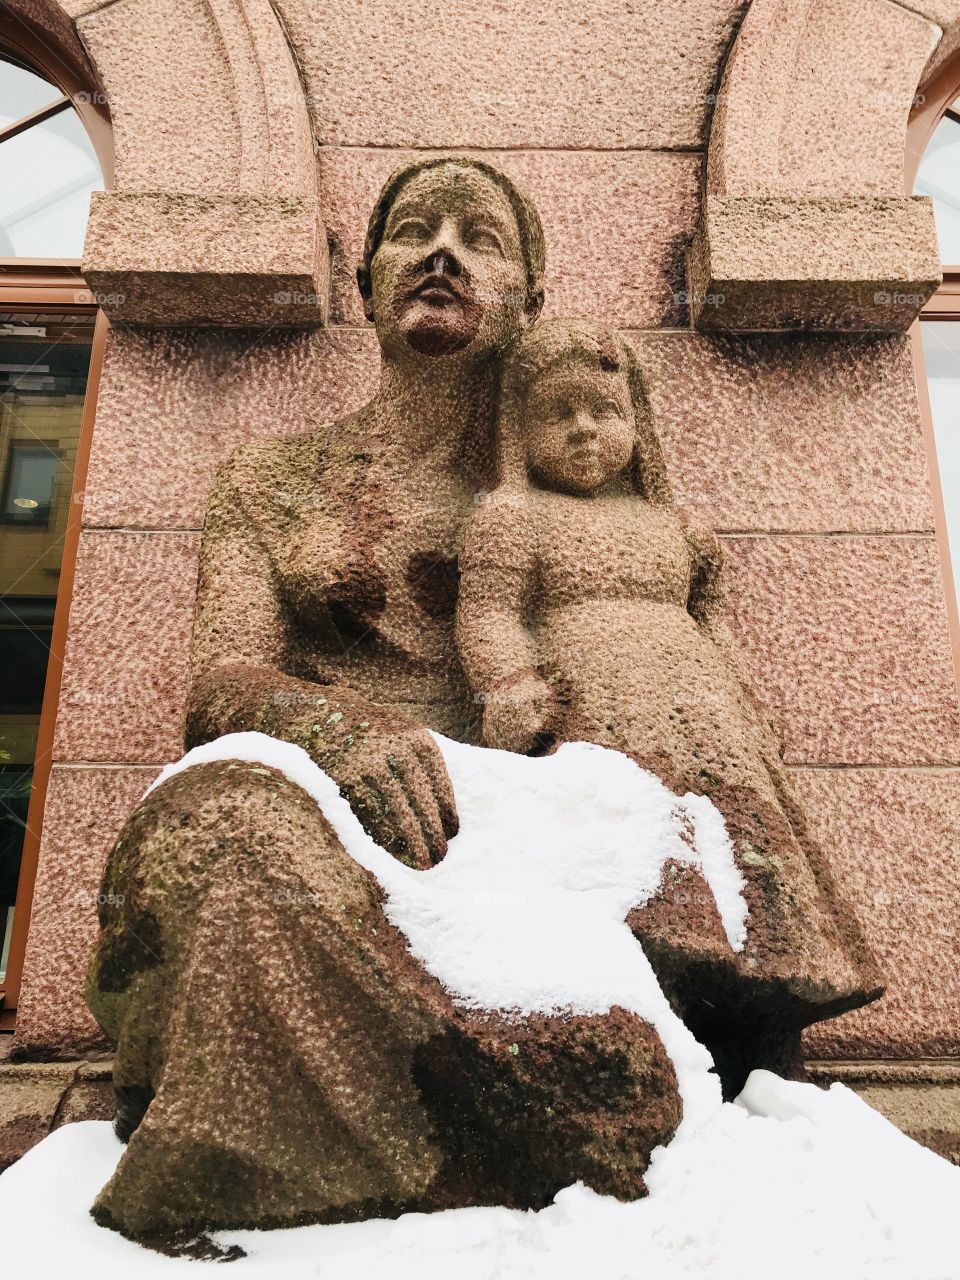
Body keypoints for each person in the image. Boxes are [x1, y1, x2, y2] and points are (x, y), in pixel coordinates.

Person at [84, 162, 684, 1243]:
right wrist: (335, 726)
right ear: (368, 283)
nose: (443, 250)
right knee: (221, 830)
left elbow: (671, 659)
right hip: (312, 804)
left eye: (481, 237)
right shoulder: (269, 481)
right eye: (415, 230)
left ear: (530, 302)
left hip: (512, 835)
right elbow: (220, 682)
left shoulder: (572, 491)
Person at [456, 320, 882, 1087]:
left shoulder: (675, 528)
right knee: (636, 875)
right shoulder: (513, 518)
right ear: (520, 431)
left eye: (603, 410)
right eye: (558, 413)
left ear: (637, 421)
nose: (584, 428)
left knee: (740, 870)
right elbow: (488, 614)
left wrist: (745, 699)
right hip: (595, 716)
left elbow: (709, 620)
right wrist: (510, 683)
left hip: (706, 720)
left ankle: (763, 1038)